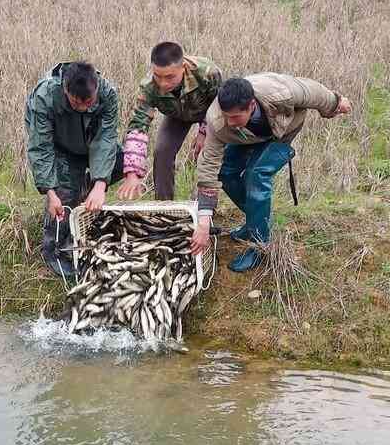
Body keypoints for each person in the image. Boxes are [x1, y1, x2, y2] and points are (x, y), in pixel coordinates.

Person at [189, 74, 353, 271]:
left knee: (256, 175)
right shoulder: (217, 120)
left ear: (251, 105)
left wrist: (335, 103)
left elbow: (312, 91)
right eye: (226, 116)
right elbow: (208, 168)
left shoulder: (279, 93)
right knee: (224, 171)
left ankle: (260, 246)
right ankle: (255, 223)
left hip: (281, 131)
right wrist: (204, 222)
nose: (229, 121)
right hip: (246, 136)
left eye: (235, 116)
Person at [25, 61, 124, 277]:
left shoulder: (108, 93)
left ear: (96, 88)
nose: (84, 108)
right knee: (61, 197)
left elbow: (106, 139)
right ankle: (54, 252)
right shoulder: (44, 97)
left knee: (125, 162)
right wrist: (50, 192)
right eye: (77, 103)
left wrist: (100, 185)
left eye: (89, 102)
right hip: (61, 149)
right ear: (65, 90)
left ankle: (80, 190)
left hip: (92, 144)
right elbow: (41, 147)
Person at [119, 42, 222, 202]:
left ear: (183, 67)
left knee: (207, 153)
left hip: (209, 113)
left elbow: (220, 106)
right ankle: (164, 207)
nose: (163, 83)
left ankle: (204, 207)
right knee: (162, 151)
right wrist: (132, 173)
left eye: (169, 77)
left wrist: (204, 132)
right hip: (176, 116)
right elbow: (137, 127)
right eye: (157, 76)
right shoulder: (148, 87)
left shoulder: (207, 72)